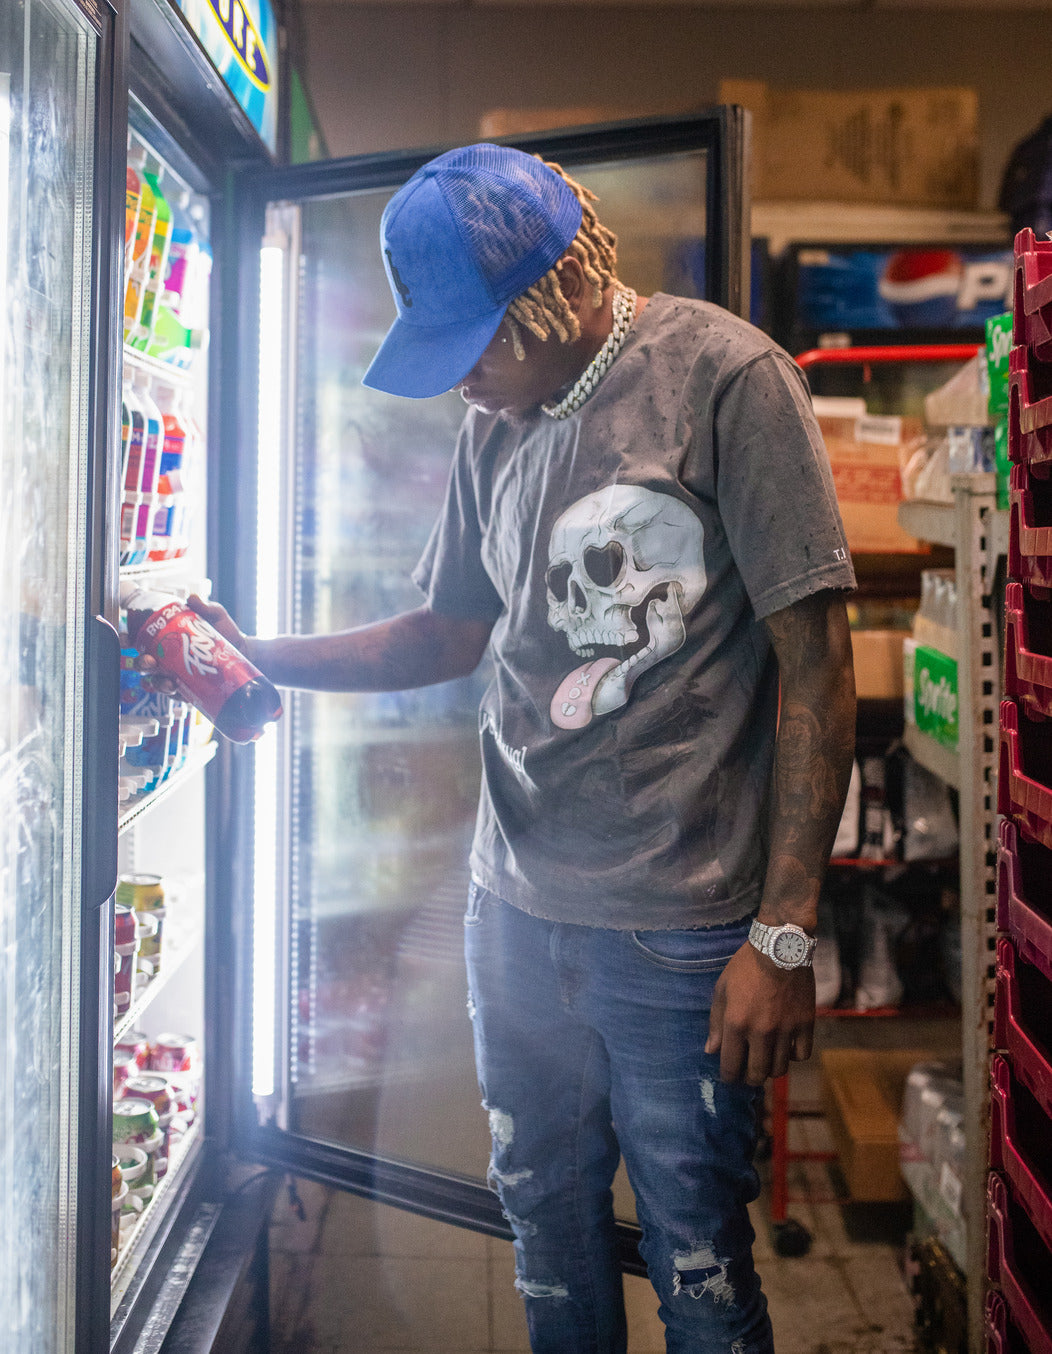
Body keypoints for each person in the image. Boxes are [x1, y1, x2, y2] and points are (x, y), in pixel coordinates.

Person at [191, 143, 857, 1353]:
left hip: (681, 932)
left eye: (473, 351)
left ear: (547, 299)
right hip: (512, 913)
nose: (463, 388)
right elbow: (443, 631)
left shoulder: (726, 380)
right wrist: (258, 656)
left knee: (697, 1259)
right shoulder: (499, 419)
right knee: (543, 1241)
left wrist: (783, 934)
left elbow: (817, 665)